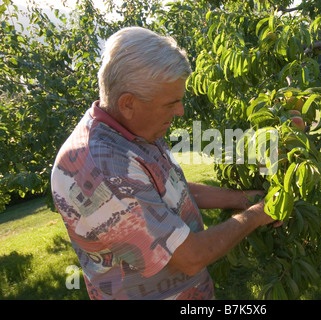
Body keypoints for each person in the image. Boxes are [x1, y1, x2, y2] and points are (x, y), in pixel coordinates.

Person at [51, 26, 280, 300]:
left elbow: (172, 188)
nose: (180, 111)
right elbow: (190, 256)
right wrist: (259, 213)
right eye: (171, 103)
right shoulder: (103, 168)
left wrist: (243, 199)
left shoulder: (136, 130)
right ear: (128, 104)